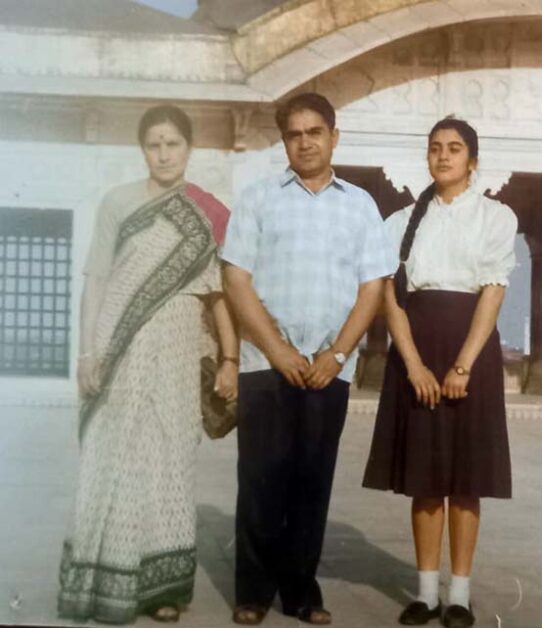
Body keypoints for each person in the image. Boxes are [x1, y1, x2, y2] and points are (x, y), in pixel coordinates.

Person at [57, 104, 239, 624]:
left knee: (169, 458)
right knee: (109, 455)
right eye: (154, 144)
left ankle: (164, 590)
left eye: (173, 144)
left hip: (180, 348)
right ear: (144, 150)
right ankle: (98, 578)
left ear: (188, 148)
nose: (164, 154)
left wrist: (228, 358)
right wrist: (88, 351)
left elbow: (219, 295)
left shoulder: (208, 214)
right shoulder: (117, 202)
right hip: (121, 345)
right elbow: (96, 280)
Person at [221, 92, 396, 626]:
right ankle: (252, 592)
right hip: (264, 363)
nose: (305, 142)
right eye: (294, 134)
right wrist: (276, 349)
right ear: (284, 141)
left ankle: (300, 593)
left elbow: (372, 287)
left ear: (333, 136)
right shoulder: (258, 198)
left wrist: (338, 352)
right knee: (260, 478)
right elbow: (235, 279)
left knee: (311, 480)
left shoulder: (360, 204)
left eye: (314, 132)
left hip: (328, 366)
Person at [362, 117, 518, 628]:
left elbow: (492, 292)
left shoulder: (496, 217)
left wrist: (462, 365)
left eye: (454, 149)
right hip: (418, 353)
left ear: (473, 160)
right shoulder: (401, 221)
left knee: (465, 479)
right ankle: (426, 593)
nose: (443, 157)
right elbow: (392, 298)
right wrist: (413, 365)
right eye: (435, 149)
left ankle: (460, 595)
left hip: (470, 351)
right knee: (425, 479)